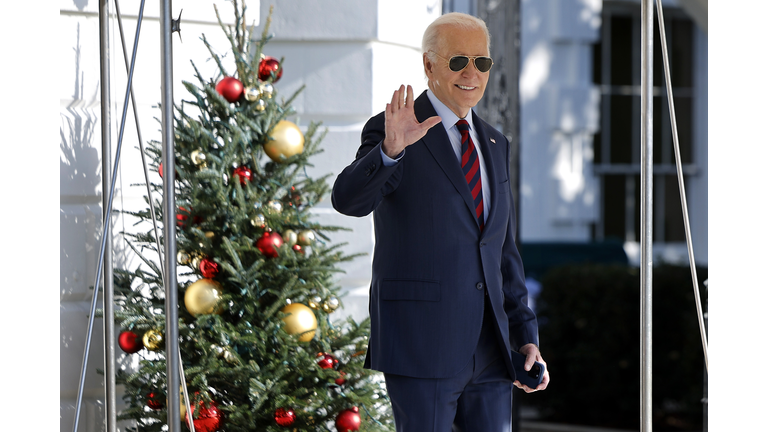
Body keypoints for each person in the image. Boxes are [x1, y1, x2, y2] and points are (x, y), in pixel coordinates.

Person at [331, 12, 549, 432]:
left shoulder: (494, 141)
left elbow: (503, 250)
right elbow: (348, 201)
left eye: (481, 62)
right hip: (422, 343)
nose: (472, 73)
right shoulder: (395, 129)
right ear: (430, 65)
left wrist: (526, 337)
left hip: (492, 350)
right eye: (457, 61)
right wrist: (391, 150)